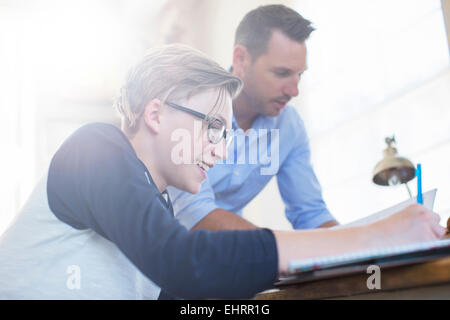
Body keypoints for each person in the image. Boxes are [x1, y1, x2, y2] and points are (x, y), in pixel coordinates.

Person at [0, 44, 445, 300]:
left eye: (227, 135)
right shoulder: (94, 149)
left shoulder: (158, 212)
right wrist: (374, 237)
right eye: (212, 126)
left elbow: (189, 296)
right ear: (156, 113)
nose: (220, 151)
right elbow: (186, 262)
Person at [168, 5, 340, 231]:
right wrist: (273, 247)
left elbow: (311, 214)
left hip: (220, 255)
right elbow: (195, 214)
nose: (293, 90)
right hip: (149, 254)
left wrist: (362, 250)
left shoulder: (290, 127)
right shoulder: (188, 108)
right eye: (281, 73)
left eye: (299, 75)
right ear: (241, 59)